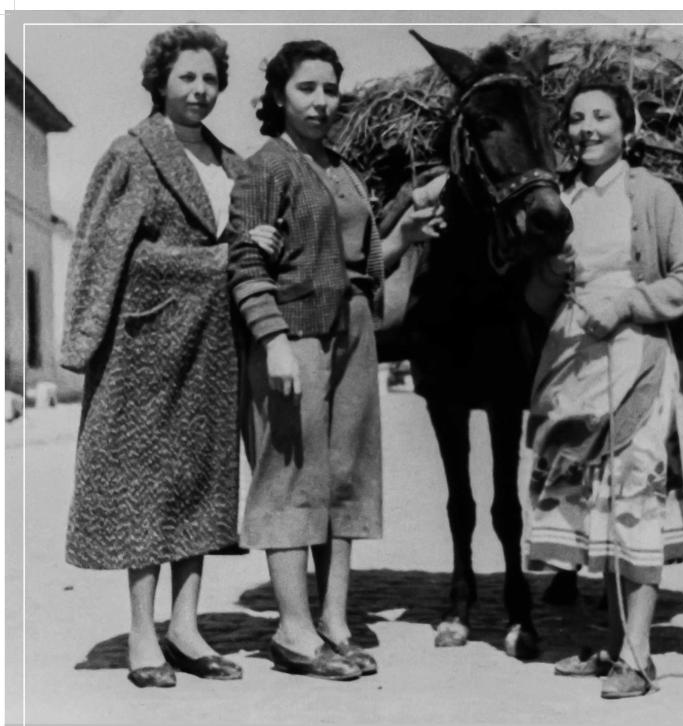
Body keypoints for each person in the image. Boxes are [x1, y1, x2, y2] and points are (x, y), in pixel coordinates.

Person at [60, 26, 280, 688]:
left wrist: (253, 247)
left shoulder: (233, 164)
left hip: (215, 348)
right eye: (187, 77)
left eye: (210, 79)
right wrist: (219, 261)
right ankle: (141, 636)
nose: (200, 89)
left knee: (201, 482)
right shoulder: (132, 153)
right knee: (144, 487)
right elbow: (108, 254)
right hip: (144, 348)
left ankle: (185, 628)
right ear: (160, 80)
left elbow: (245, 253)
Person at [228, 40, 442, 681]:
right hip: (293, 335)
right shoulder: (266, 167)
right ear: (277, 96)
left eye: (329, 89)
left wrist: (406, 234)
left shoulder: (342, 168)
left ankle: (335, 622)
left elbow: (361, 263)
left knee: (343, 476)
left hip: (351, 331)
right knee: (291, 476)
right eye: (306, 89)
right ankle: (293, 634)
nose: (321, 101)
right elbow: (245, 263)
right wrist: (272, 342)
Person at [524, 79, 683, 699]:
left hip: (636, 362)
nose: (587, 128)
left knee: (634, 498)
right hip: (573, 368)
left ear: (627, 127)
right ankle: (608, 644)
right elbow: (535, 300)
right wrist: (549, 275)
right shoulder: (560, 198)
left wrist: (629, 304)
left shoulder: (652, 195)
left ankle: (639, 654)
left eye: (602, 116)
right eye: (576, 118)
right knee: (594, 507)